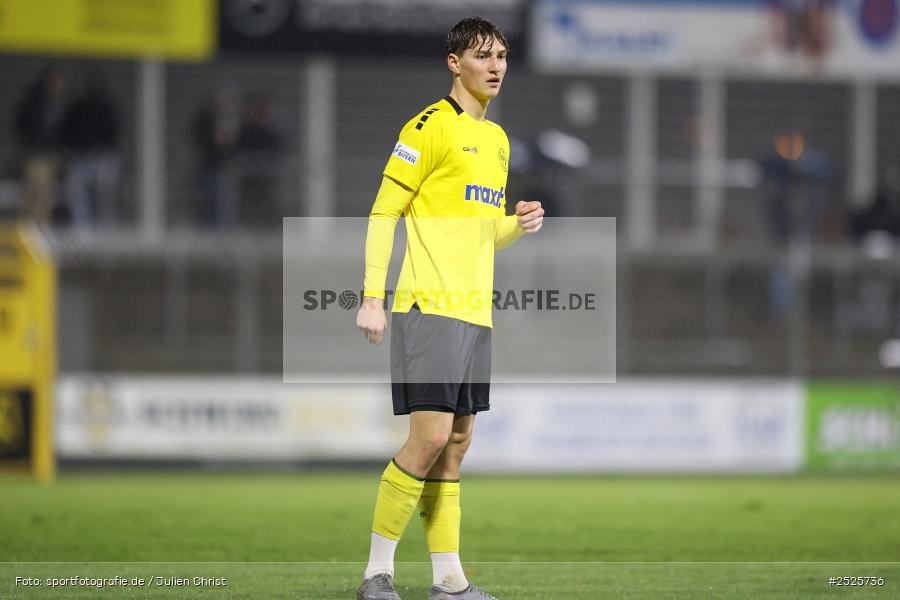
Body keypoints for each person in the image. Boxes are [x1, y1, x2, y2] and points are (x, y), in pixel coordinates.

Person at [354, 17, 544, 600]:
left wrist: (518, 225)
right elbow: (384, 211)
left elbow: (485, 234)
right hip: (428, 304)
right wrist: (371, 298)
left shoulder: (499, 140)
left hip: (475, 311)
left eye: (503, 56)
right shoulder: (427, 127)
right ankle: (376, 574)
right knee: (430, 438)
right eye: (483, 55)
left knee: (457, 444)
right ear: (454, 62)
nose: (496, 66)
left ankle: (449, 582)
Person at [59, 76, 120, 227]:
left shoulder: (105, 108)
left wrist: (104, 149)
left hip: (102, 157)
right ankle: (82, 230)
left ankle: (106, 228)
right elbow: (67, 131)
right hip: (80, 156)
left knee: (104, 196)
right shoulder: (77, 108)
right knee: (78, 196)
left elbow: (114, 132)